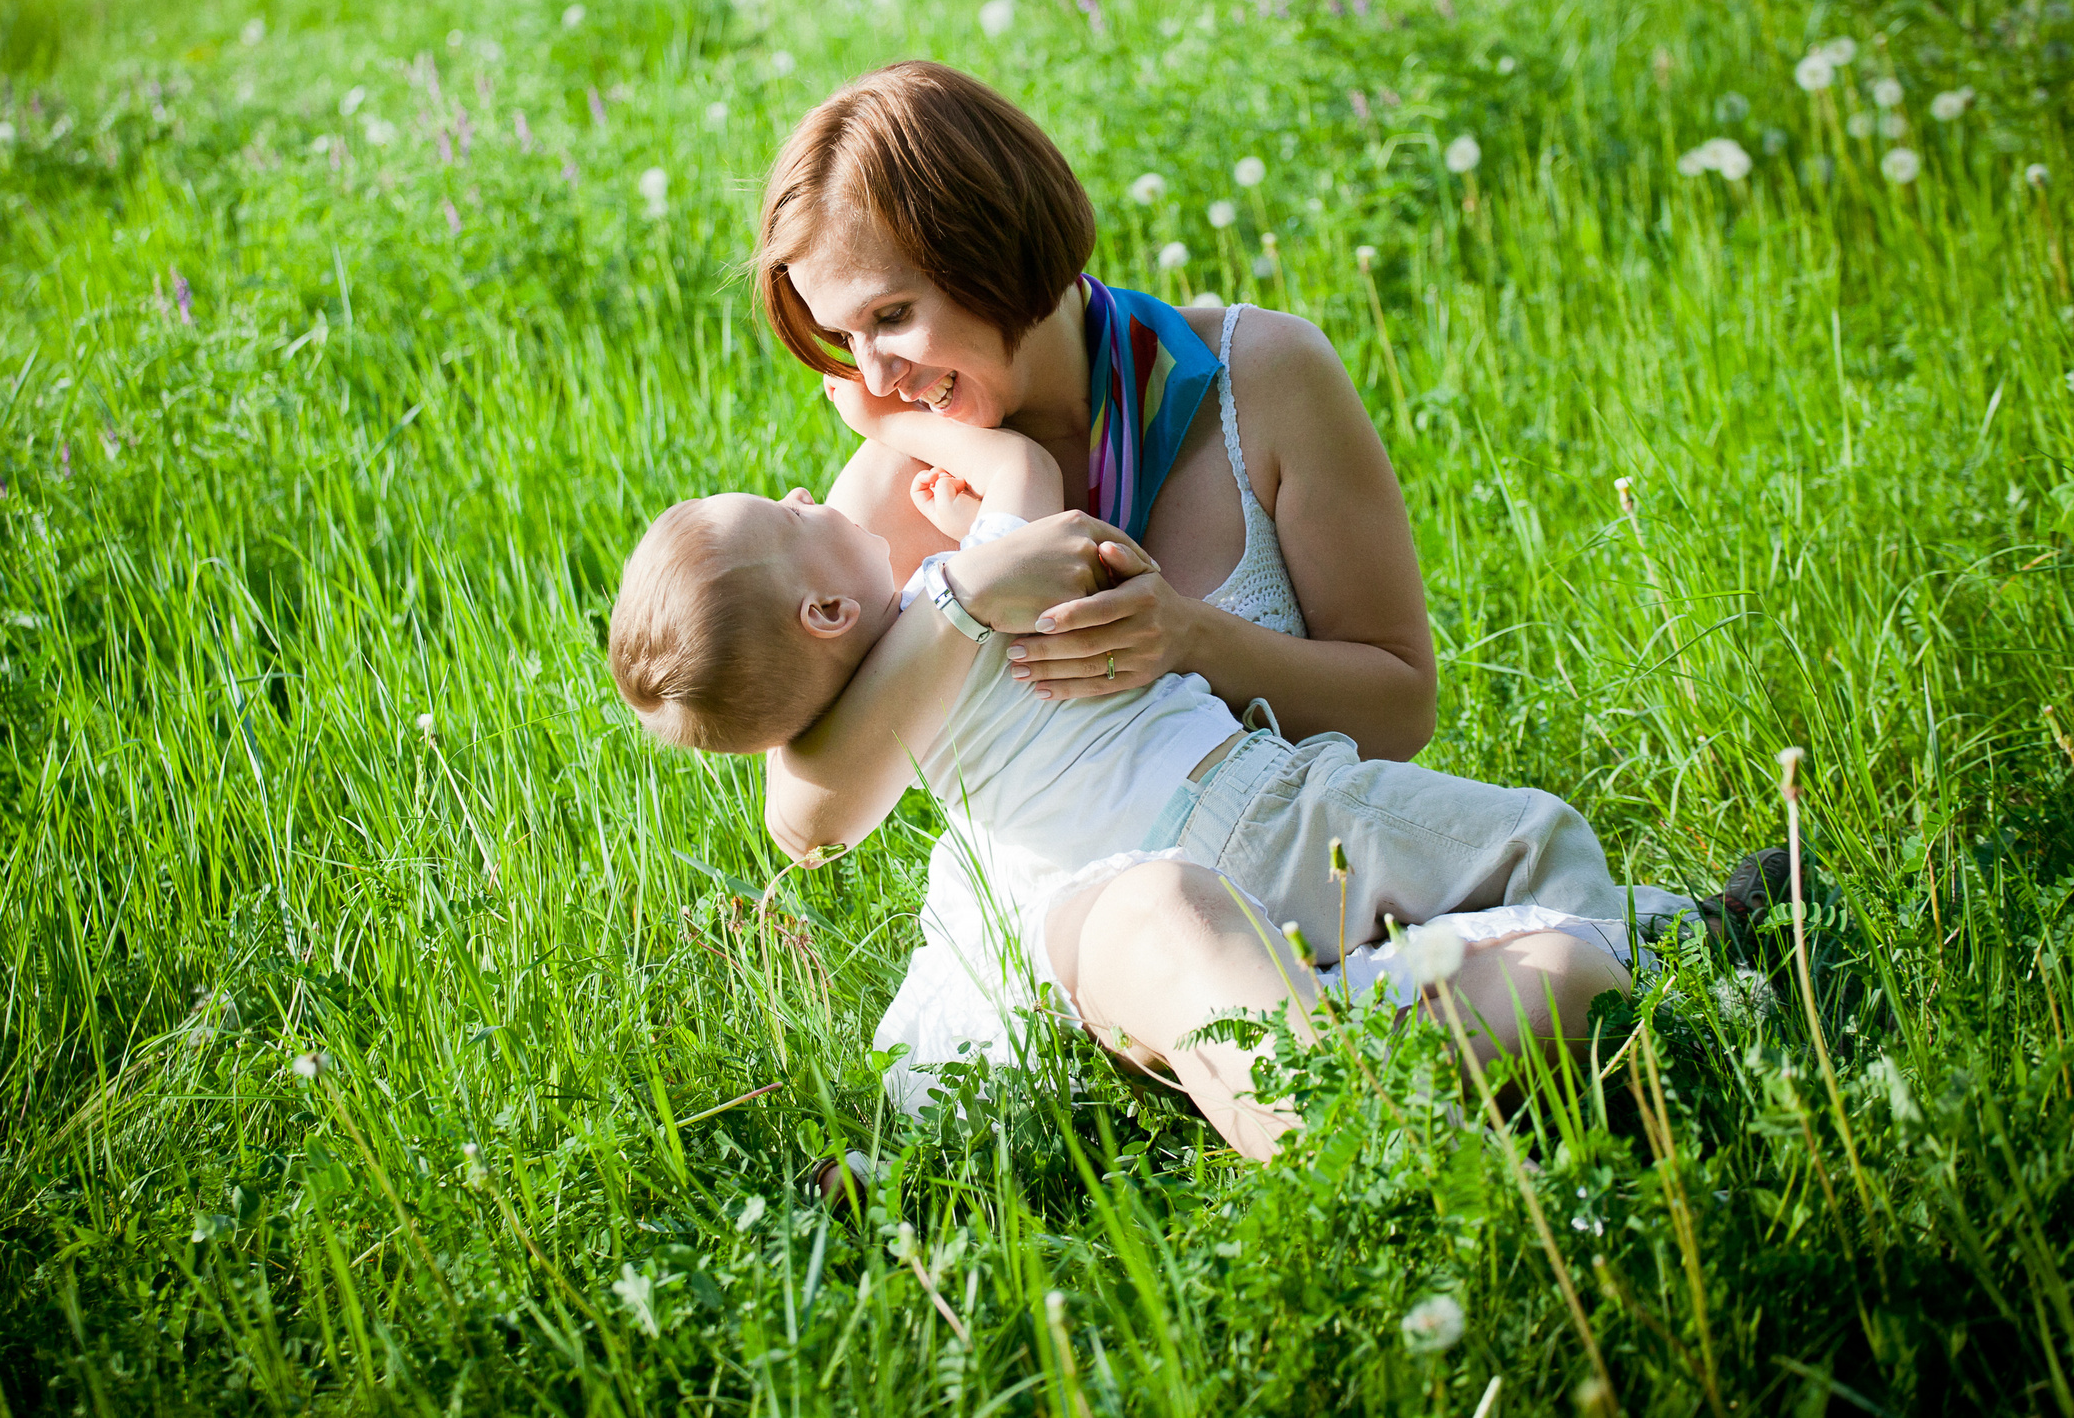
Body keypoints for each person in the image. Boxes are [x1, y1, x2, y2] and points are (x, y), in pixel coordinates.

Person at [730, 60, 1731, 1152]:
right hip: (1099, 945)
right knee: (1165, 909)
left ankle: (1343, 1110)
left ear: (993, 243)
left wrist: (1192, 638)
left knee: (1567, 980)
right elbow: (806, 822)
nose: (875, 379)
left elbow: (1399, 705)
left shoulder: (1264, 376)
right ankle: (1352, 1153)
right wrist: (966, 596)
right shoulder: (896, 490)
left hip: (1314, 878)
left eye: (892, 316)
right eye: (845, 338)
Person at [607, 399, 1639, 1157]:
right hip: (1254, 807)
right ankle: (1631, 973)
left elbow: (809, 788)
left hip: (1123, 885)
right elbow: (1022, 465)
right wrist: (907, 429)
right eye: (787, 515)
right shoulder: (959, 584)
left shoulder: (877, 708)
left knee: (1495, 975)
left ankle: (1357, 1049)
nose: (806, 493)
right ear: (825, 612)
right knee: (1530, 842)